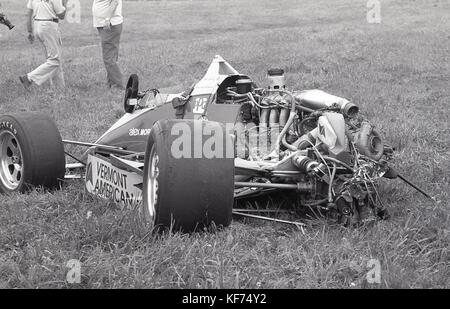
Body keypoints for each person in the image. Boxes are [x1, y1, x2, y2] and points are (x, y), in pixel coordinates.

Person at [19, 0, 67, 90]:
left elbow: (28, 13)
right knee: (55, 60)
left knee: (51, 60)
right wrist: (65, 3)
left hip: (37, 24)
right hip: (48, 26)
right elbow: (62, 15)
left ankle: (59, 89)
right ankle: (29, 78)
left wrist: (29, 30)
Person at [92, 0, 124, 90]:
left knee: (109, 58)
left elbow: (114, 2)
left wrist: (107, 19)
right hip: (105, 24)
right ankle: (111, 83)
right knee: (110, 57)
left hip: (110, 24)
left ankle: (118, 87)